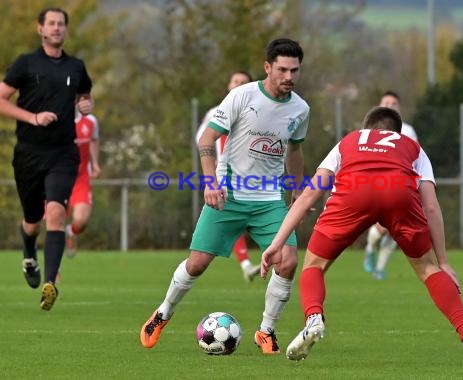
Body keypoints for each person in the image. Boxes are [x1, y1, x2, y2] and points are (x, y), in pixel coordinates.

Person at [260, 106, 463, 364]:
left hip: (353, 193)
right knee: (428, 270)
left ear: (366, 129)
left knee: (313, 265)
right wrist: (444, 262)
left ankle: (314, 318)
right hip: (398, 194)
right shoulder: (412, 146)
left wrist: (276, 243)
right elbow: (430, 206)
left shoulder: (348, 141)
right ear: (397, 132)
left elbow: (307, 196)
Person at [140, 38, 310, 354]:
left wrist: (298, 188)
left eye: (295, 70)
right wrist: (209, 183)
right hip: (227, 195)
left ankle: (267, 331)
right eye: (283, 69)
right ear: (268, 67)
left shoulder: (300, 109)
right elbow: (207, 138)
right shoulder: (241, 96)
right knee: (197, 264)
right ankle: (163, 312)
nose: (289, 76)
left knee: (287, 261)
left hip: (269, 199)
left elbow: (295, 150)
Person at [0, 7, 93, 311]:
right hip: (28, 154)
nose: (56, 28)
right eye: (50, 24)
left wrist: (85, 104)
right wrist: (33, 117)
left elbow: (84, 95)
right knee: (32, 221)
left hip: (63, 155)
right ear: (40, 29)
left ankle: (50, 282)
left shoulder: (76, 66)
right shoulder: (26, 63)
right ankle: (29, 254)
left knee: (55, 213)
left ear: (66, 29)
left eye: (61, 24)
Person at [195, 70, 261, 283]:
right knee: (229, 217)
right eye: (236, 81)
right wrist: (210, 170)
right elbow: (202, 139)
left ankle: (248, 263)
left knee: (237, 220)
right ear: (228, 84)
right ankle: (246, 264)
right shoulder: (216, 112)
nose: (239, 85)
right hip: (223, 175)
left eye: (244, 82)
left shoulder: (257, 112)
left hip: (251, 177)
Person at [363, 90, 419, 280]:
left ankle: (379, 268)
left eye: (393, 103)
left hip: (402, 184)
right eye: (386, 102)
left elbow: (415, 158)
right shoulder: (369, 130)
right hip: (378, 184)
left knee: (396, 230)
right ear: (379, 105)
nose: (389, 106)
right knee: (384, 226)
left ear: (399, 107)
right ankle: (370, 249)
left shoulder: (408, 130)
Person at [64, 112, 101, 257]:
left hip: (81, 179)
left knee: (81, 220)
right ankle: (53, 268)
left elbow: (94, 140)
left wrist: (95, 162)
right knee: (53, 220)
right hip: (59, 177)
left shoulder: (90, 120)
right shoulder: (57, 116)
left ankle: (71, 232)